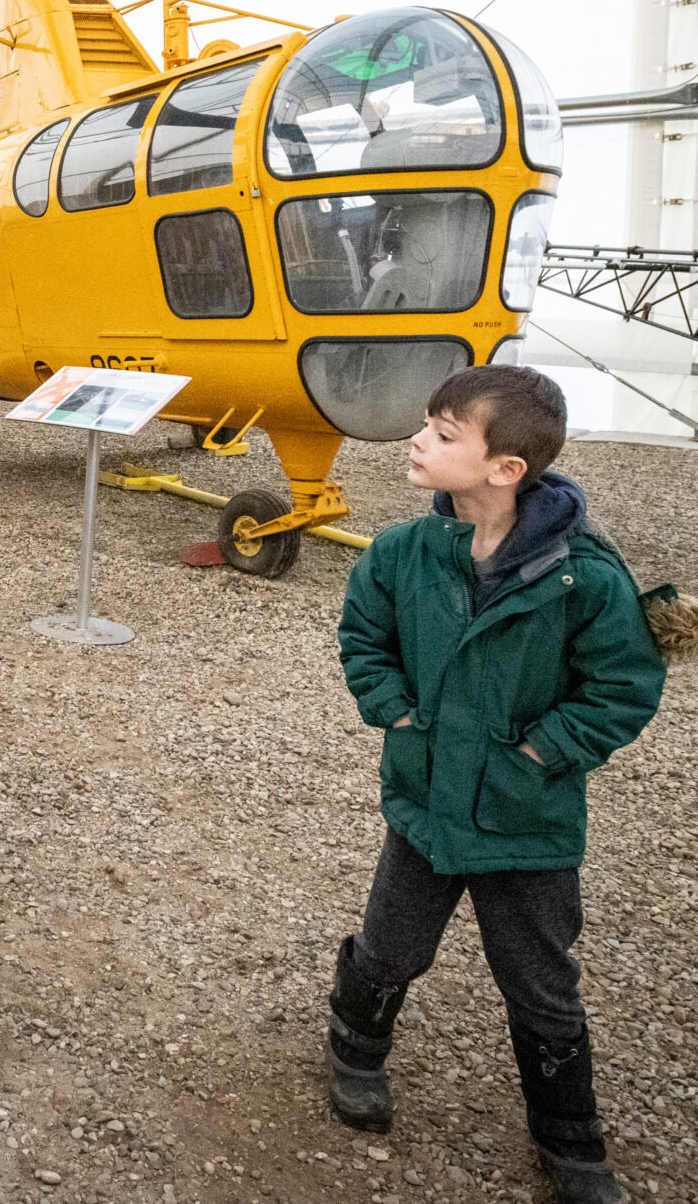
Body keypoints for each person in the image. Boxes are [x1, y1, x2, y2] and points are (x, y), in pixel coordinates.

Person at [330, 364, 667, 1204]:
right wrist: (395, 710)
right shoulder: (403, 552)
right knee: (390, 946)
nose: (418, 439)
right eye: (426, 423)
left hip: (527, 820)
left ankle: (571, 1141)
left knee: (542, 980)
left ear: (505, 468)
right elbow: (363, 636)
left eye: (444, 434)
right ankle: (354, 1052)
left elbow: (625, 686)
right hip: (423, 809)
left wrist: (540, 752)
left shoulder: (583, 576)